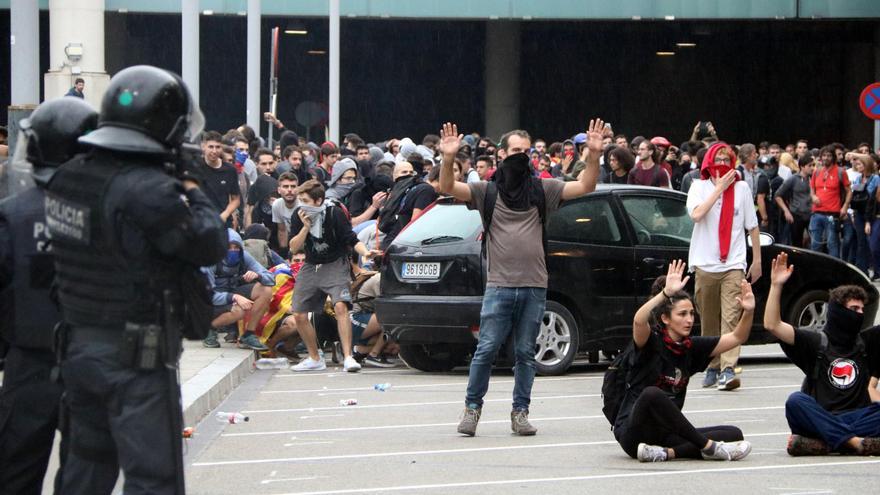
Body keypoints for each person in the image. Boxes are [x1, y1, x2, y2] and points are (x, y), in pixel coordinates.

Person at [44, 66, 227, 494]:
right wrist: (193, 185)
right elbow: (209, 242)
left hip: (78, 345)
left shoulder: (69, 177)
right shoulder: (147, 190)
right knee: (154, 479)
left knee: (84, 470)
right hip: (135, 357)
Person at [440, 118, 605, 437]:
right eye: (515, 151)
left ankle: (520, 413)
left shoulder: (544, 189)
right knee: (486, 350)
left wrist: (594, 156)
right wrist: (448, 159)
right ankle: (472, 410)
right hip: (500, 286)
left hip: (534, 286)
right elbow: (448, 187)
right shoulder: (486, 191)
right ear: (501, 154)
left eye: (526, 152)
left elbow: (585, 186)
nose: (521, 157)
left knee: (526, 354)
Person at [0, 97, 98, 494]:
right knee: (85, 476)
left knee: (15, 472)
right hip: (93, 364)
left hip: (30, 361)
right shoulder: (114, 213)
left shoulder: (13, 214)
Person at [614, 261, 754, 462]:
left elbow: (737, 337)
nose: (689, 320)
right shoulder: (650, 341)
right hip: (635, 435)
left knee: (733, 433)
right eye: (682, 314)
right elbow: (638, 320)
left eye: (691, 314)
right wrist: (665, 294)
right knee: (652, 394)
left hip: (665, 434)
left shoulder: (692, 347)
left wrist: (748, 311)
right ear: (665, 319)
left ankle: (667, 454)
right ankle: (707, 447)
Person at [763, 252, 880, 456]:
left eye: (862, 310)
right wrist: (776, 286)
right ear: (837, 311)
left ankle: (827, 442)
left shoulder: (867, 342)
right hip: (821, 415)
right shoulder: (816, 342)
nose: (859, 314)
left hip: (855, 417)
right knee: (796, 402)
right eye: (854, 309)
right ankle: (854, 442)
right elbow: (772, 325)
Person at [687, 142, 761, 391]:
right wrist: (718, 189)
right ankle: (713, 365)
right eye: (716, 157)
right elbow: (697, 215)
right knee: (708, 320)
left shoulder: (741, 188)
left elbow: (752, 226)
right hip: (705, 264)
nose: (721, 161)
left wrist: (757, 260)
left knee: (731, 316)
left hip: (734, 263)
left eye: (726, 157)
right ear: (708, 161)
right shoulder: (698, 186)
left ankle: (728, 368)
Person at [287, 179, 379, 372]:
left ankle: (348, 357)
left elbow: (351, 238)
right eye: (300, 200)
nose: (302, 204)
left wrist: (365, 253)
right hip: (311, 264)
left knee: (340, 306)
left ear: (319, 200)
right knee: (299, 313)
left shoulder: (333, 213)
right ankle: (314, 357)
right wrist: (305, 227)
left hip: (335, 263)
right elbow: (294, 247)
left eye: (305, 200)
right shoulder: (299, 215)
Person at [202, 229, 276, 350]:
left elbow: (271, 278)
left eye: (236, 247)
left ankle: (248, 334)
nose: (233, 250)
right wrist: (234, 297)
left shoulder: (243, 256)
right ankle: (208, 328)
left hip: (231, 294)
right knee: (238, 310)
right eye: (228, 247)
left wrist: (258, 276)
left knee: (265, 290)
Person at [809, 145, 851, 258]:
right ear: (821, 157)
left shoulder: (840, 172)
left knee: (832, 245)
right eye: (824, 155)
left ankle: (835, 272)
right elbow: (812, 189)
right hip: (816, 213)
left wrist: (845, 207)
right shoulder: (817, 172)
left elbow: (849, 191)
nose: (826, 158)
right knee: (815, 245)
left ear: (833, 157)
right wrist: (813, 197)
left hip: (832, 214)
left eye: (829, 156)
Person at [775, 155, 815, 248]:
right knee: (797, 244)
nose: (812, 168)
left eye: (813, 165)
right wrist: (786, 211)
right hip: (797, 215)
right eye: (809, 166)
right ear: (802, 166)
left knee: (814, 242)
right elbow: (778, 195)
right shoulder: (793, 179)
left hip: (811, 215)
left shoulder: (813, 178)